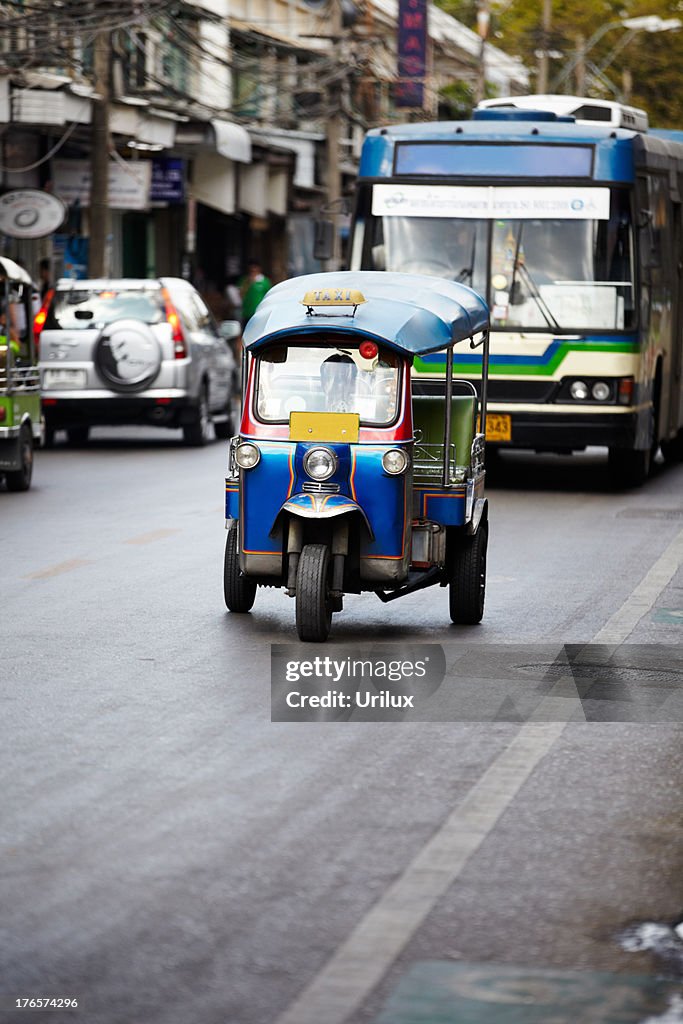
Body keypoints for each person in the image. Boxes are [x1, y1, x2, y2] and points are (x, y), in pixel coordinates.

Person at [240, 260, 272, 326]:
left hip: (260, 312)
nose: (253, 272)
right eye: (251, 270)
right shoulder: (244, 280)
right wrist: (249, 283)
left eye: (254, 270)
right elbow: (241, 294)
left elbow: (269, 295)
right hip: (247, 312)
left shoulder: (265, 281)